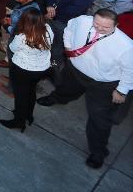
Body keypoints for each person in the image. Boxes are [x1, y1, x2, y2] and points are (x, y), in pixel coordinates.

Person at [38, 9, 133, 168]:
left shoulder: (126, 46)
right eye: (97, 24)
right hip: (75, 71)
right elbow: (69, 28)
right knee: (64, 89)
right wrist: (68, 46)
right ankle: (55, 98)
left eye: (106, 27)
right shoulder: (82, 20)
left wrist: (121, 90)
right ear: (92, 18)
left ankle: (98, 152)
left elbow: (130, 70)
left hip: (103, 83)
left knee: (99, 119)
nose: (99, 29)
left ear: (116, 25)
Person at [0, 8, 52, 132]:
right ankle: (28, 115)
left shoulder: (22, 36)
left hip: (23, 69)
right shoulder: (48, 30)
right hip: (41, 69)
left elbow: (12, 47)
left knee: (20, 96)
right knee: (31, 92)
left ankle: (18, 121)